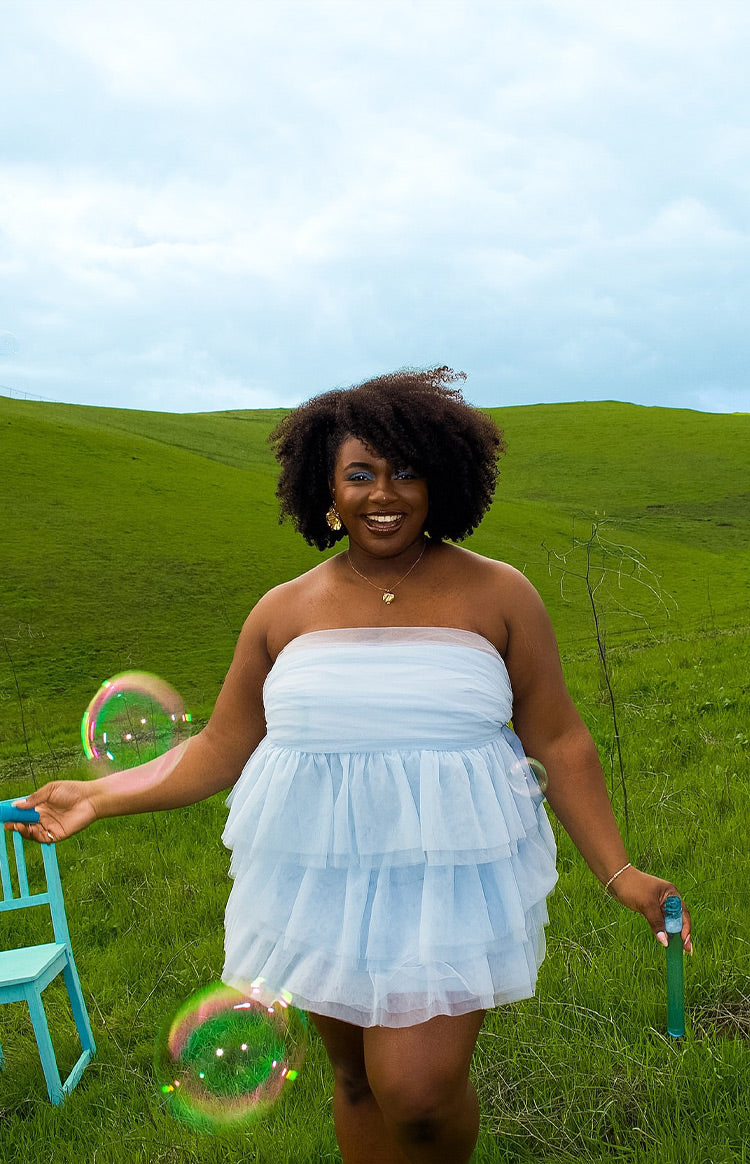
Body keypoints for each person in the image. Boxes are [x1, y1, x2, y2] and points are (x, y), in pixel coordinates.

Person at [8, 367, 691, 1164]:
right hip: (317, 876)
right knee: (358, 1082)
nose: (383, 493)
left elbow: (561, 739)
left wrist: (620, 872)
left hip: (450, 878)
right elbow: (221, 747)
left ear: (440, 479)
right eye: (359, 474)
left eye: (405, 470)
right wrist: (99, 796)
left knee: (419, 1095)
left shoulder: (501, 595)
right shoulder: (282, 609)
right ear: (325, 490)